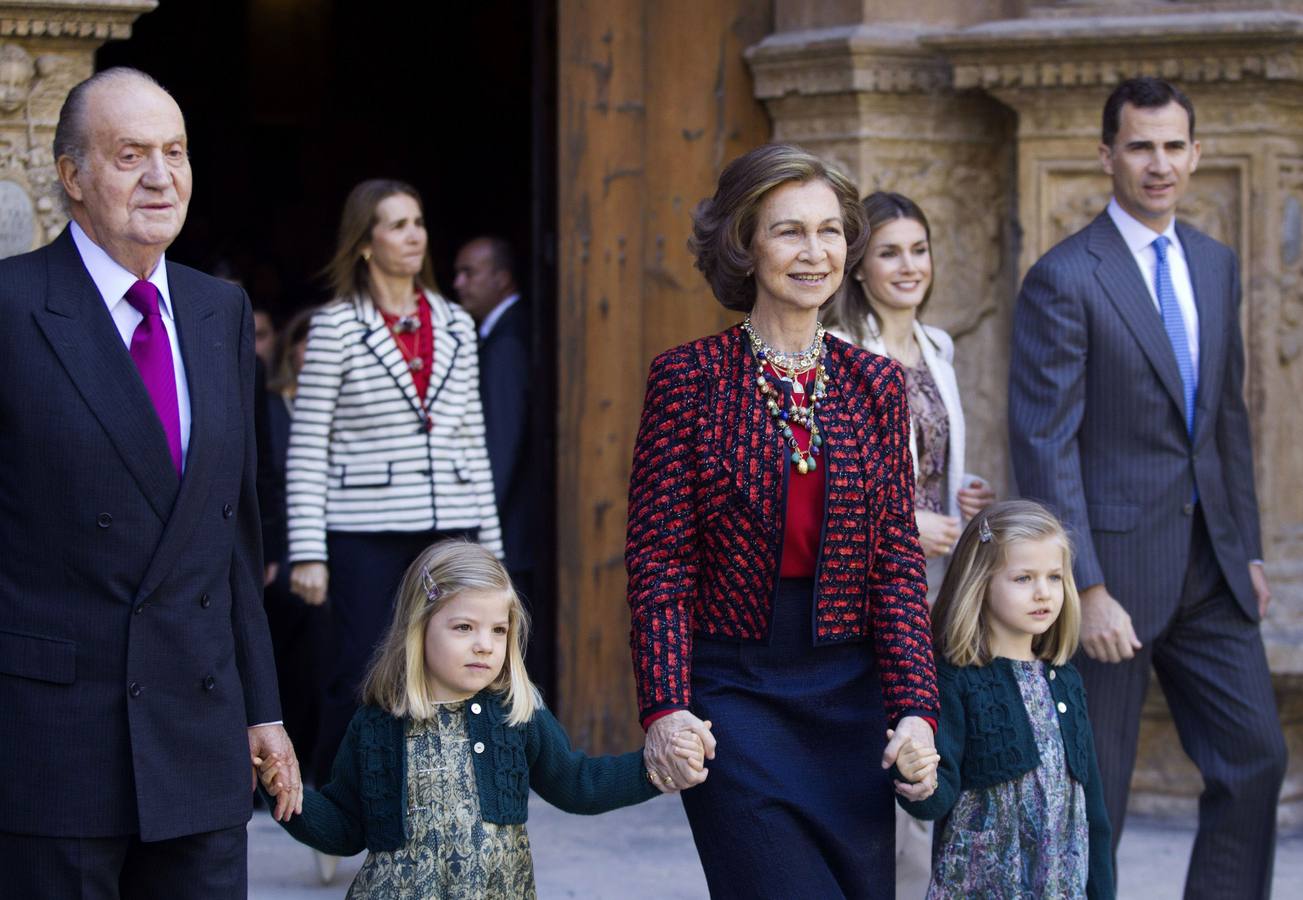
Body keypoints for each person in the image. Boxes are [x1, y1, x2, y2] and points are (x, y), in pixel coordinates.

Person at [0, 67, 300, 896]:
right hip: (52, 745)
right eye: (131, 154)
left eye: (176, 151)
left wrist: (263, 710)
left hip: (198, 739)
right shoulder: (11, 307)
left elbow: (232, 536)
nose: (161, 177)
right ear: (72, 176)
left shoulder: (220, 311)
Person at [625, 142, 940, 898]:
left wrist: (915, 709)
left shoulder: (875, 385)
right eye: (788, 230)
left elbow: (895, 564)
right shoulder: (688, 379)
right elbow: (659, 560)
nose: (815, 251)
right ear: (744, 242)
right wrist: (666, 705)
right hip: (735, 695)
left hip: (849, 698)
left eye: (829, 231)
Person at [1008, 76, 1287, 898]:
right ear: (1106, 157)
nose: (1157, 164)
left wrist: (1250, 551)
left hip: (1211, 572)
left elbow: (1225, 420)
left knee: (1255, 760)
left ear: (1195, 155)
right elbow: (1044, 442)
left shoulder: (1213, 263)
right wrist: (1081, 588)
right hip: (1113, 582)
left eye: (1172, 147)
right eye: (1139, 146)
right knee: (1096, 799)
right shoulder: (1064, 277)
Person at [257, 539, 703, 899]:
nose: (485, 645)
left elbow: (578, 783)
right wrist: (286, 795)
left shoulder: (515, 713)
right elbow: (345, 826)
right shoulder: (379, 725)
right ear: (419, 627)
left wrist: (654, 769)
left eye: (498, 630)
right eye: (464, 628)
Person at [822, 190, 996, 896]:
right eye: (889, 252)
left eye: (918, 250)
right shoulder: (836, 352)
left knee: (927, 745)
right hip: (865, 579)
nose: (907, 266)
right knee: (878, 743)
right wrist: (903, 520)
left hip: (937, 581)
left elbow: (929, 459)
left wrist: (962, 490)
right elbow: (827, 477)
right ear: (858, 265)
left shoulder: (937, 345)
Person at [898, 500, 1113, 899]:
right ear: (980, 582)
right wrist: (917, 777)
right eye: (1023, 578)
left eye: (1054, 577)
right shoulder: (958, 678)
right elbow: (938, 797)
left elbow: (1092, 808)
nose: (1042, 593)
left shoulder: (1065, 680)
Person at [453, 235, 547, 697]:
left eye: (470, 272)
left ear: (502, 277)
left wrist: (479, 523)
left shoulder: (507, 340)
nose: (459, 283)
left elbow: (499, 445)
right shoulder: (504, 332)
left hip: (507, 525)